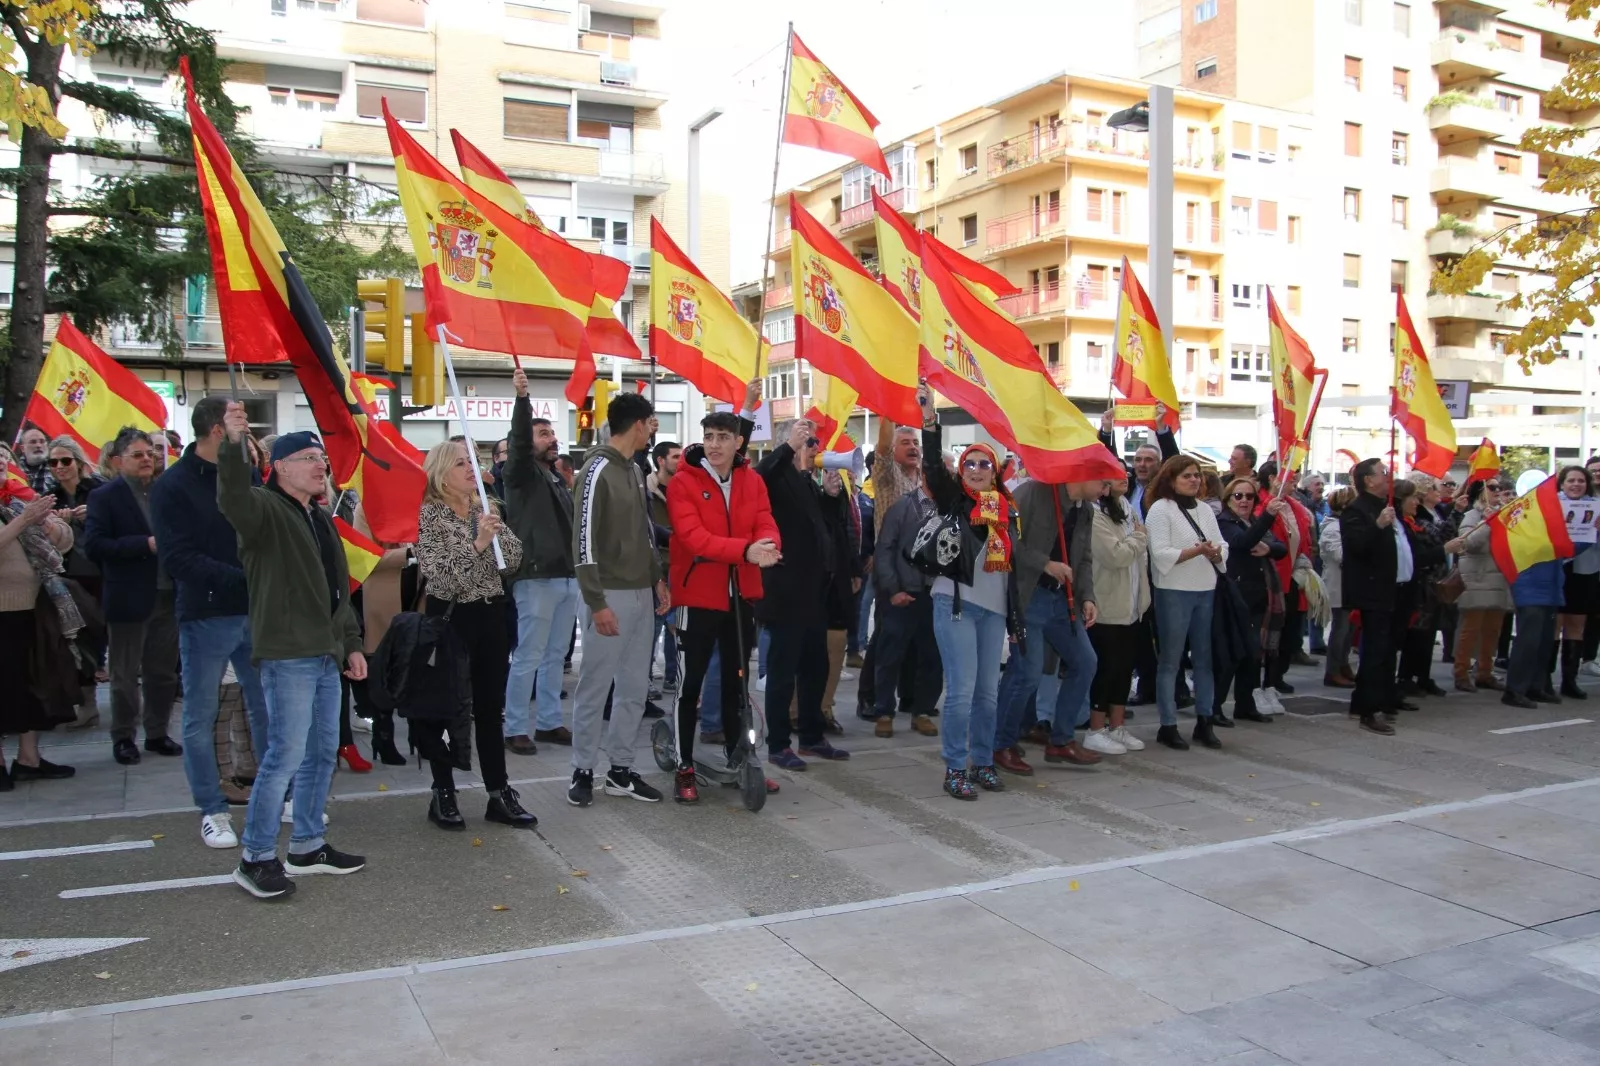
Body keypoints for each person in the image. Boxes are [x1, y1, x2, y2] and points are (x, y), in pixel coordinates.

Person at [217, 403, 367, 900]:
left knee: (322, 752)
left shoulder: (318, 517)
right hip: (287, 654)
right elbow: (233, 497)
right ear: (279, 467)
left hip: (324, 654)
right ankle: (255, 857)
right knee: (285, 754)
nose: (320, 463)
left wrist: (350, 644)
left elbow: (335, 590)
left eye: (320, 456)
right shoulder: (262, 510)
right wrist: (236, 444)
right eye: (307, 457)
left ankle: (306, 844)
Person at [150, 397, 272, 850]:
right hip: (205, 614)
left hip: (255, 611)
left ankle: (270, 796)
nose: (247, 432)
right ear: (218, 432)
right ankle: (212, 809)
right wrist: (242, 579)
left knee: (265, 707)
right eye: (239, 423)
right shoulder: (172, 486)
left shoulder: (244, 476)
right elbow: (177, 556)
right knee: (200, 715)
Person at [414, 439, 536, 829]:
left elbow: (514, 560)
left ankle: (499, 793)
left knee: (488, 709)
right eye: (460, 463)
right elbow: (443, 577)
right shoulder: (430, 515)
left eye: (473, 462)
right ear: (441, 473)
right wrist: (479, 543)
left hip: (490, 615)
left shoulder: (486, 508)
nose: (471, 469)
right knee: (447, 708)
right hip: (451, 620)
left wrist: (495, 534)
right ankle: (443, 792)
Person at [664, 407, 781, 803]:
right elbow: (693, 537)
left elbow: (766, 521)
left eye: (722, 437)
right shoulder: (684, 481)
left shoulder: (752, 480)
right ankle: (683, 767)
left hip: (740, 598)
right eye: (709, 436)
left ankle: (741, 758)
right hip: (697, 597)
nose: (714, 445)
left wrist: (768, 547)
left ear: (738, 443)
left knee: (738, 684)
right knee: (689, 686)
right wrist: (746, 550)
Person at [918, 392, 1024, 798]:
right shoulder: (955, 500)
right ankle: (954, 768)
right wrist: (930, 421)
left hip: (994, 610)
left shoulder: (1009, 508)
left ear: (995, 472)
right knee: (961, 691)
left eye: (985, 463)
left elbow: (1016, 569)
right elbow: (932, 467)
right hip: (956, 603)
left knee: (987, 694)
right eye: (970, 463)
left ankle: (982, 763)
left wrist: (1016, 621)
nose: (977, 469)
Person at [569, 391, 671, 807]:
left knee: (633, 688)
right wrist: (597, 603)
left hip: (640, 594)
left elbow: (644, 533)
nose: (654, 430)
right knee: (595, 687)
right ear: (638, 424)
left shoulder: (631, 468)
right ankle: (582, 770)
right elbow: (583, 542)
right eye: (652, 422)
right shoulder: (596, 470)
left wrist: (656, 580)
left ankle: (620, 770)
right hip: (608, 594)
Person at [994, 441, 1103, 774]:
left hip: (1062, 601)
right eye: (1103, 479)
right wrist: (1045, 564)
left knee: (1085, 662)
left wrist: (1087, 597)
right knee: (1025, 673)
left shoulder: (1085, 510)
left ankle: (1061, 740)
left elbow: (1082, 558)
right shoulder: (1034, 492)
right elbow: (1005, 539)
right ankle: (1001, 744)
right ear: (1082, 475)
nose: (1107, 487)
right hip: (1030, 597)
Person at [84, 427, 182, 765]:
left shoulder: (164, 491)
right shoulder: (105, 496)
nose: (147, 460)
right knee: (125, 675)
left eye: (150, 454)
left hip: (168, 594)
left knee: (163, 673)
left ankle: (157, 733)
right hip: (129, 596)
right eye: (138, 455)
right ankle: (124, 736)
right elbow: (95, 545)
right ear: (117, 461)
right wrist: (144, 545)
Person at [757, 417, 851, 770]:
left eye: (813, 444)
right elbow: (761, 472)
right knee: (783, 671)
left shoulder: (805, 482)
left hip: (815, 593)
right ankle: (778, 744)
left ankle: (811, 736)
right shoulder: (776, 478)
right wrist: (790, 446)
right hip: (786, 592)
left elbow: (826, 527)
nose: (814, 450)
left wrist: (830, 495)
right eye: (808, 443)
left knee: (816, 666)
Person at [501, 368, 579, 755]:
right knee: (529, 655)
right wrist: (522, 399)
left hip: (565, 578)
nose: (552, 439)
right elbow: (517, 446)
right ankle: (515, 726)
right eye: (543, 434)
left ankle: (549, 722)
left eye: (552, 433)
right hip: (535, 579)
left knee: (554, 657)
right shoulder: (520, 474)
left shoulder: (555, 478)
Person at [0, 489, 80, 790]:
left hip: (32, 608)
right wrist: (24, 520)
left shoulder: (14, 503)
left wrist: (49, 524)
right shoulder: (20, 513)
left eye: (4, 459)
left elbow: (64, 541)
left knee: (32, 684)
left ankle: (29, 759)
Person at [1146, 455, 1227, 749]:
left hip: (1205, 588)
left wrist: (1217, 553)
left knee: (1204, 658)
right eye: (1187, 476)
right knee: (1171, 659)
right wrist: (1198, 551)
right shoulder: (1160, 509)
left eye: (1196, 475)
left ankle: (1205, 719)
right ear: (1171, 480)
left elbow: (1221, 543)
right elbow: (1160, 552)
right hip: (1173, 590)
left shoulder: (1205, 509)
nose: (1194, 480)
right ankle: (1168, 724)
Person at [870, 467, 943, 738]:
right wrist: (892, 590)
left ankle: (922, 710)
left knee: (932, 657)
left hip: (935, 596)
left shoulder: (948, 510)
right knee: (890, 655)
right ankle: (884, 711)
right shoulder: (903, 507)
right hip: (902, 594)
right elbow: (884, 550)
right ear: (924, 475)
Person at [1083, 472, 1149, 752]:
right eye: (1116, 474)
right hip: (1107, 604)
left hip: (1132, 604)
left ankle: (1117, 726)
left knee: (1124, 668)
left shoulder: (1125, 507)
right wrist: (1139, 538)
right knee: (1106, 668)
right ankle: (1095, 729)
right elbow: (1116, 555)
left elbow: (1133, 552)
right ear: (1103, 484)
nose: (1126, 477)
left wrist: (1135, 541)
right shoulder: (1095, 514)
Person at [1215, 477, 1287, 725]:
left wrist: (1268, 549)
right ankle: (1214, 708)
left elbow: (1279, 546)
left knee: (1253, 654)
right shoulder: (1224, 522)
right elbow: (1241, 543)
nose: (1244, 500)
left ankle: (1245, 705)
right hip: (1235, 597)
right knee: (1232, 656)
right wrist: (1268, 514)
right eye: (1238, 496)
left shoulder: (1254, 522)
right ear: (1227, 499)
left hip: (1258, 595)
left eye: (1249, 496)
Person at [1341, 458, 1403, 735]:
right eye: (1383, 472)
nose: (1388, 476)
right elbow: (1356, 546)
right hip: (1370, 589)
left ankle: (1365, 701)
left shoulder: (1384, 505)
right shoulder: (1357, 510)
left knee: (1384, 648)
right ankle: (1369, 709)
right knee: (1374, 651)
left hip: (1387, 586)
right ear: (1368, 479)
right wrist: (1377, 525)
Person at [48, 436, 106, 705]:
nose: (59, 466)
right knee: (76, 636)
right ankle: (86, 701)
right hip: (68, 574)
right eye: (53, 462)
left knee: (99, 631)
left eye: (65, 460)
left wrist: (92, 515)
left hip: (101, 572)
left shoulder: (98, 491)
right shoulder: (51, 497)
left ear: (79, 462)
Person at [1451, 479, 1510, 693]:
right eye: (1492, 487)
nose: (1497, 491)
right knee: (1470, 629)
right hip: (1477, 579)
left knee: (1492, 631)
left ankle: (1485, 672)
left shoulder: (1503, 513)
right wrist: (1487, 523)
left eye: (1498, 488)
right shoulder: (1472, 515)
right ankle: (1461, 672)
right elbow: (1468, 544)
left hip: (1498, 579)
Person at [1395, 475, 1450, 699]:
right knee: (1415, 634)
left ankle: (1421, 676)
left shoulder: (1430, 515)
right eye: (1413, 498)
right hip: (1418, 584)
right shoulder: (1413, 521)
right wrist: (1445, 549)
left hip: (1429, 583)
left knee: (1427, 633)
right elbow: (1426, 550)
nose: (1416, 502)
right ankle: (1406, 678)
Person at [1556, 466, 1599, 699]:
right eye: (1571, 480)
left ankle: (1569, 681)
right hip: (1558, 570)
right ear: (1562, 484)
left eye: (1580, 480)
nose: (1576, 484)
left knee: (1576, 625)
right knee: (1555, 625)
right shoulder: (1552, 505)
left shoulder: (1596, 505)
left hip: (1585, 570)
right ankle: (1543, 678)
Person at [648, 437, 682, 699]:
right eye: (675, 456)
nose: (680, 460)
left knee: (677, 624)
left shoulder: (684, 488)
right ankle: (645, 677)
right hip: (658, 566)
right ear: (660, 460)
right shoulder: (647, 490)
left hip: (681, 566)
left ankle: (673, 675)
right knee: (655, 625)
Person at [1319, 487, 1356, 688]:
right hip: (1337, 585)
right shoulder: (1333, 529)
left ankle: (1343, 663)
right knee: (1340, 630)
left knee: (1349, 630)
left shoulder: (1344, 526)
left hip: (1349, 586)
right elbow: (1342, 556)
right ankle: (1333, 670)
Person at [16, 423, 56, 496]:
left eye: (42, 441)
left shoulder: (57, 467)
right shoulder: (15, 469)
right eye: (33, 442)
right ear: (22, 448)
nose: (38, 445)